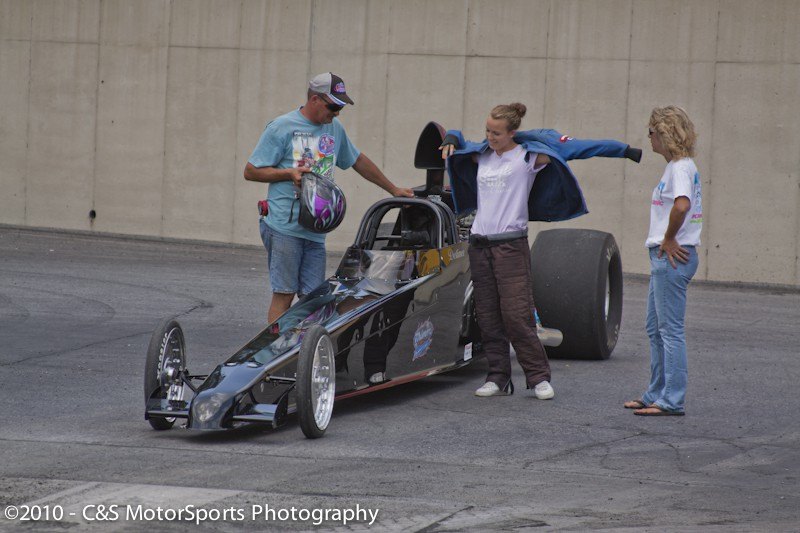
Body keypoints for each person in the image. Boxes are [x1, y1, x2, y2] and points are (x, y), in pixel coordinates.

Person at [441, 103, 642, 399]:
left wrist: (624, 150)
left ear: (512, 133)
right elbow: (458, 139)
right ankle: (497, 377)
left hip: (510, 246)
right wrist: (451, 137)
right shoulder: (482, 154)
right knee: (487, 316)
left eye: (496, 133)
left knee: (516, 316)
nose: (490, 137)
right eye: (487, 131)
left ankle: (538, 378)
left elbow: (579, 148)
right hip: (480, 245)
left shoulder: (528, 157)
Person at [244, 72, 414, 323]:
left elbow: (357, 160)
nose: (337, 113)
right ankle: (275, 347)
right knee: (284, 293)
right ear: (315, 99)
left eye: (341, 108)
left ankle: (306, 346)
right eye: (334, 107)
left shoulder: (334, 129)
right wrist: (288, 173)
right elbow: (251, 171)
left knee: (314, 298)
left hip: (315, 230)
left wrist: (393, 189)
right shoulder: (281, 127)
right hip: (284, 227)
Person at [625, 106, 701, 416]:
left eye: (652, 132)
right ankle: (656, 393)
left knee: (670, 332)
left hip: (672, 256)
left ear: (666, 134)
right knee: (656, 330)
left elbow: (681, 205)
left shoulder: (680, 168)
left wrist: (669, 238)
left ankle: (672, 400)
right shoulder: (676, 167)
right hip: (666, 257)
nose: (649, 137)